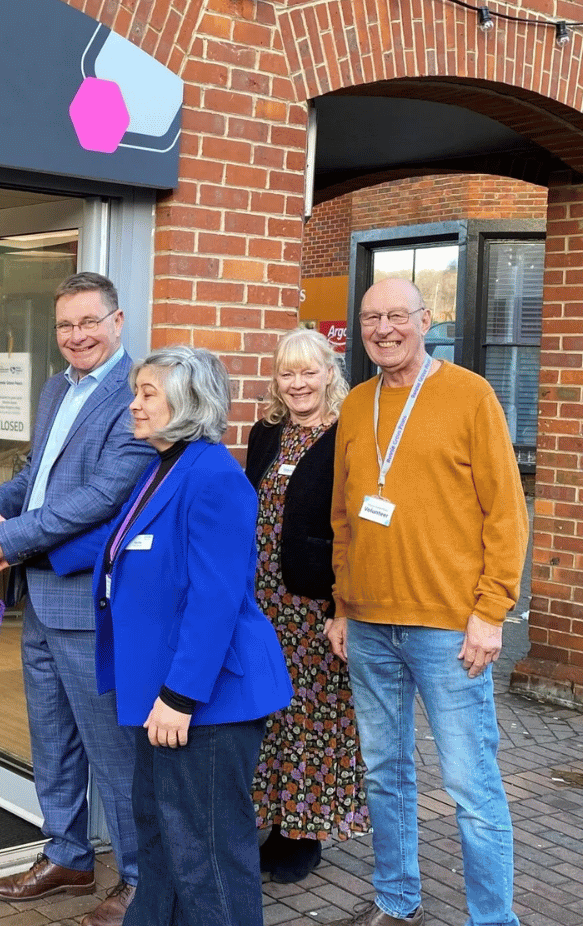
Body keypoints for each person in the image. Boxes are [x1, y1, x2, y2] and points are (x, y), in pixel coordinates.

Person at [50, 345, 292, 925]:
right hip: (161, 698)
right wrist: (17, 545)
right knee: (159, 841)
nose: (133, 406)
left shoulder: (213, 478)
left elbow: (216, 600)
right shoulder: (165, 467)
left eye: (146, 394)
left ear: (186, 402)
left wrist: (180, 696)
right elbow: (115, 537)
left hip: (203, 703)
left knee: (207, 856)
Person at [325, 278, 528, 926]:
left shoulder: (470, 395)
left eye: (395, 316)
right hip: (367, 626)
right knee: (385, 775)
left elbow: (506, 514)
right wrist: (339, 605)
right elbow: (343, 517)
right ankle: (394, 899)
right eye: (369, 319)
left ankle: (493, 921)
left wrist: (489, 612)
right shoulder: (355, 404)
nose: (382, 329)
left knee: (470, 788)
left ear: (425, 320)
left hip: (447, 629)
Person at [0, 272, 155, 926]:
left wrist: (8, 539)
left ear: (117, 321)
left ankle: (139, 881)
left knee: (111, 750)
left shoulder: (136, 397)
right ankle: (68, 854)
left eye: (88, 323)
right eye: (65, 326)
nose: (76, 337)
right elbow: (39, 475)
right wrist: (2, 502)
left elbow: (101, 496)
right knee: (52, 739)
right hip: (41, 597)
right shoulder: (55, 387)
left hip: (87, 602)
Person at [244, 328, 369, 883]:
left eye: (308, 372)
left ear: (328, 374)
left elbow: (356, 525)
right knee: (267, 711)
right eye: (287, 373)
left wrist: (343, 606)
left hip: (313, 602)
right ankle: (271, 818)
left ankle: (303, 831)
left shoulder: (348, 435)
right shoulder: (264, 434)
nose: (297, 384)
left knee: (313, 716)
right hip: (261, 600)